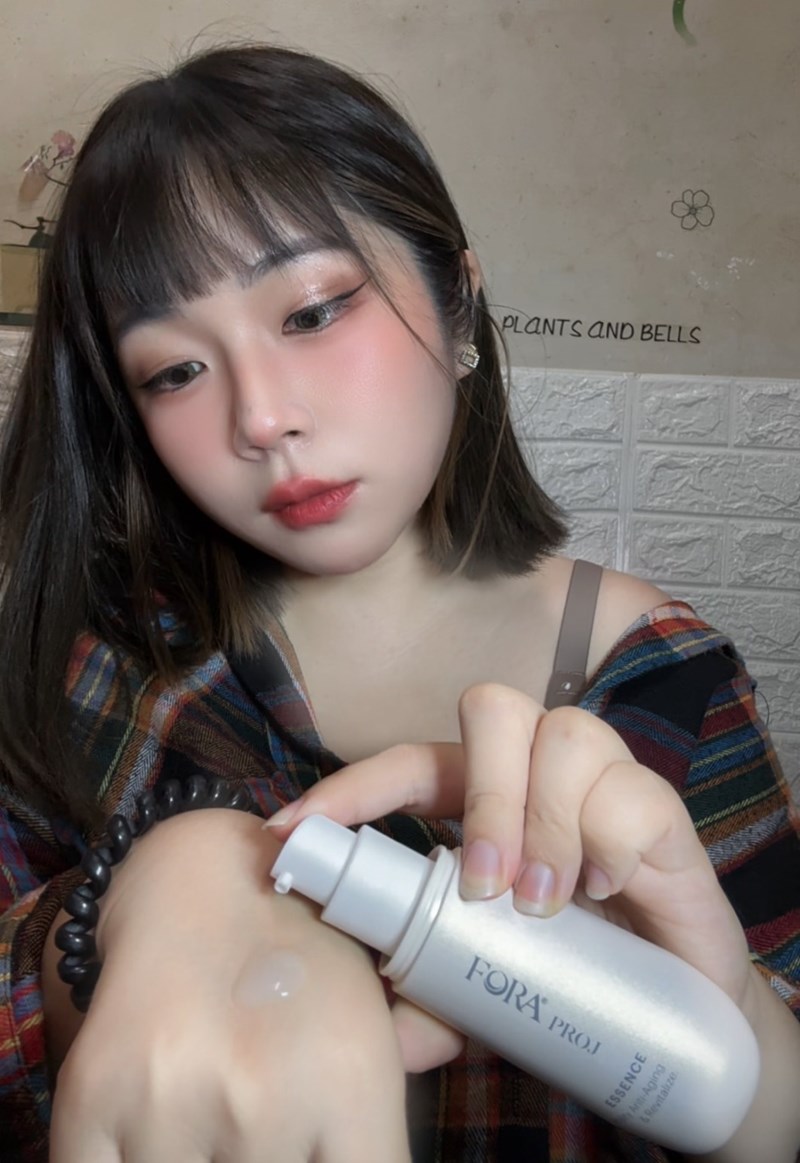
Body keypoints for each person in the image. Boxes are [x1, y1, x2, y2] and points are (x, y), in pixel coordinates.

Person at [0, 41, 797, 1163]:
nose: (261, 418)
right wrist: (135, 907)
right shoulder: (104, 661)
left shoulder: (669, 685)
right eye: (174, 371)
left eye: (313, 311)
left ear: (457, 299)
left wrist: (725, 1032)